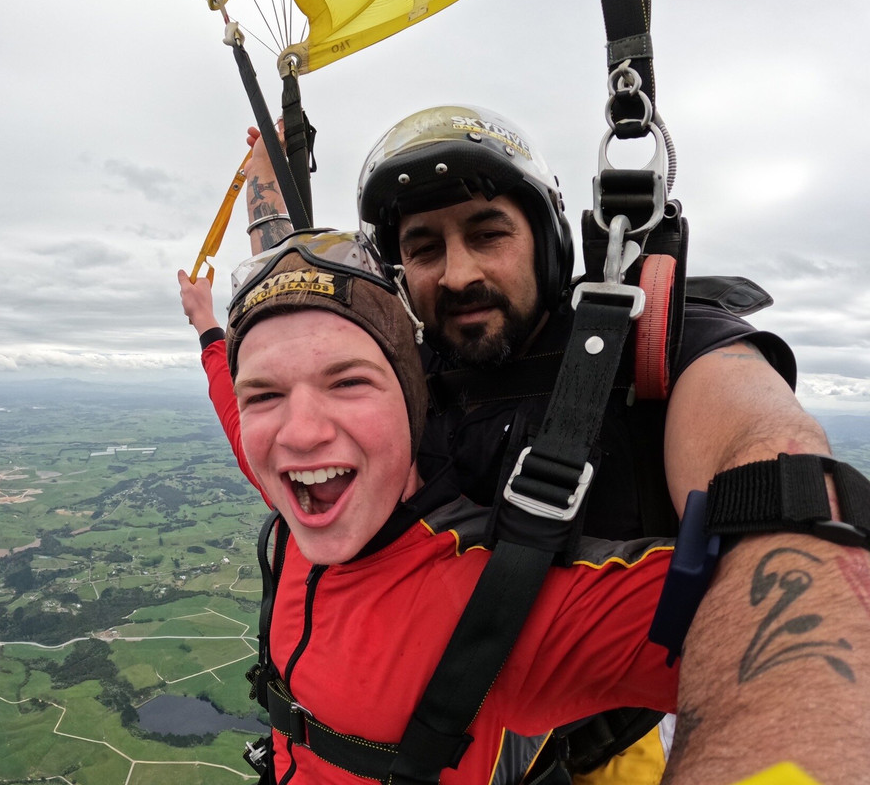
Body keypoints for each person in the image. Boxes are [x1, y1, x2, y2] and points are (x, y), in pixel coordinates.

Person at [204, 231, 870, 785]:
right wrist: (208, 326)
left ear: (412, 406)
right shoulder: (296, 489)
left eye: (348, 382)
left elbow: (789, 642)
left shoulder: (500, 602)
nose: (297, 434)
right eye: (266, 395)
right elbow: (238, 412)